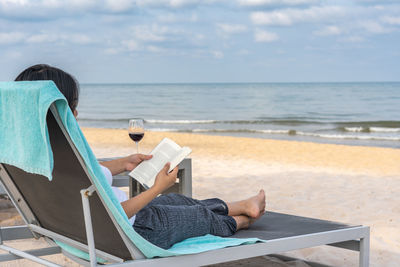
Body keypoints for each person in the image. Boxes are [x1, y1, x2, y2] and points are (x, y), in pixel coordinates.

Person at [15, 64, 266, 249]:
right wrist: (157, 188)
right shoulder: (62, 154)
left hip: (93, 226)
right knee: (199, 218)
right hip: (133, 231)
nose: (77, 112)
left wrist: (124, 163)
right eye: (72, 105)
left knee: (180, 202)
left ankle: (244, 205)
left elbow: (87, 175)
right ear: (58, 108)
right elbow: (115, 216)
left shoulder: (33, 155)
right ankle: (242, 221)